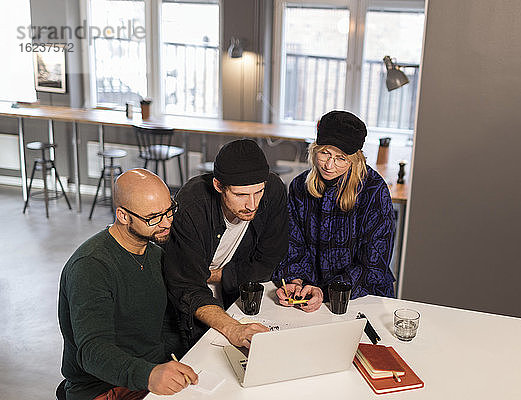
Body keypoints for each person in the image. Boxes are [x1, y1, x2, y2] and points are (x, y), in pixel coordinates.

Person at [58, 169, 198, 400]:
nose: (166, 224)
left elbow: (166, 326)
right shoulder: (91, 266)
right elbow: (92, 351)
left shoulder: (156, 253)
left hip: (150, 374)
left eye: (169, 211)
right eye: (153, 217)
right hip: (102, 388)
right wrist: (149, 375)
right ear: (123, 216)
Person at [163, 139, 288, 347]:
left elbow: (270, 260)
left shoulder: (274, 189)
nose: (252, 205)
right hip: (188, 299)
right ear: (218, 186)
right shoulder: (192, 205)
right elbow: (187, 287)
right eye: (240, 195)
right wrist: (232, 327)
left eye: (258, 192)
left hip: (236, 292)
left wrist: (218, 275)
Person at [272, 110, 396, 312]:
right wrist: (295, 282)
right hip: (309, 294)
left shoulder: (374, 191)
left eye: (340, 158)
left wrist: (329, 291)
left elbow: (373, 264)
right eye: (324, 154)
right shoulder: (299, 187)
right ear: (314, 150)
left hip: (362, 297)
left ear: (355, 159)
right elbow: (293, 244)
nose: (329, 165)